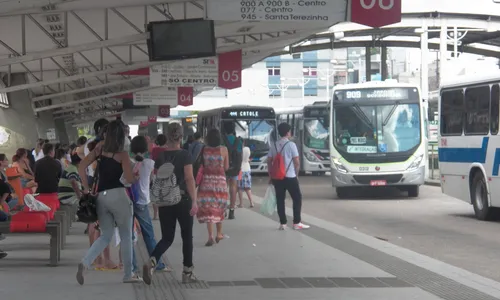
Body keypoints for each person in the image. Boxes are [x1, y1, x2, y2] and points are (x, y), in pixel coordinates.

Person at [76, 120, 141, 284]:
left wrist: (86, 188)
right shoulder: (123, 155)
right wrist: (136, 177)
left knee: (105, 236)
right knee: (127, 236)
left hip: (101, 197)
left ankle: (85, 262)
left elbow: (81, 167)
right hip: (119, 196)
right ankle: (129, 275)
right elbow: (128, 178)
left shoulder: (99, 151)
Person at [142, 122, 198, 286]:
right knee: (187, 237)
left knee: (167, 238)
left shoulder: (160, 157)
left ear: (167, 136)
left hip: (166, 201)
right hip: (183, 200)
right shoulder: (185, 155)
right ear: (181, 137)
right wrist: (194, 200)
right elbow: (189, 178)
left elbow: (157, 179)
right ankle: (187, 272)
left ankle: (153, 260)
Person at [129, 135, 170, 272]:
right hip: (142, 202)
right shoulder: (149, 163)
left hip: (129, 201)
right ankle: (157, 264)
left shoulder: (128, 162)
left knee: (129, 236)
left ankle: (132, 268)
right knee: (149, 234)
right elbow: (153, 179)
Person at [267, 123, 310, 231]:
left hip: (277, 178)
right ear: (287, 132)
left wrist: (271, 174)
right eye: (290, 131)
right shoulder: (291, 145)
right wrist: (296, 175)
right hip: (290, 176)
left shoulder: (274, 145)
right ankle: (296, 223)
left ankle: (283, 223)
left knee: (280, 200)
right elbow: (297, 162)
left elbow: (269, 161)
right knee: (297, 198)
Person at [196, 128, 229, 246]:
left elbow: (201, 164)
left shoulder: (204, 149)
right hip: (220, 183)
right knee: (219, 207)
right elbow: (226, 167)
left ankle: (210, 236)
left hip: (206, 182)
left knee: (209, 209)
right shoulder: (224, 150)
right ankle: (219, 233)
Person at [222, 122, 243, 220]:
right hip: (235, 167)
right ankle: (231, 210)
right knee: (233, 187)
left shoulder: (222, 140)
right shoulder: (239, 141)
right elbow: (240, 155)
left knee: (223, 188)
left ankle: (223, 210)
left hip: (224, 167)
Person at [84, 119, 109, 187]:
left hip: (92, 177)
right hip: (98, 178)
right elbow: (94, 165)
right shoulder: (96, 143)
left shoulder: (89, 142)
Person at [150, 134, 168, 220]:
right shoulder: (168, 150)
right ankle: (165, 213)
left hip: (156, 174)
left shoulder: (154, 150)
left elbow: (152, 160)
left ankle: (155, 215)